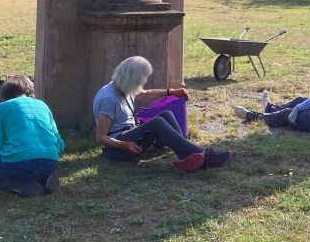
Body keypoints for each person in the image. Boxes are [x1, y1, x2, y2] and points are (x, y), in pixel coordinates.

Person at [94, 56, 231, 171]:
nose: (145, 82)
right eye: (143, 79)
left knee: (166, 114)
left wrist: (170, 92)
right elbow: (101, 137)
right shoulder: (109, 99)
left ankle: (187, 158)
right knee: (157, 123)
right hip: (117, 150)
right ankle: (204, 156)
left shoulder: (124, 86)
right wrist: (125, 145)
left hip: (131, 133)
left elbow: (145, 94)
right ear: (132, 79)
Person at [233, 39, 310, 136]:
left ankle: (252, 116)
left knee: (286, 115)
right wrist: (298, 108)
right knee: (298, 101)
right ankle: (269, 108)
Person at [0, 76, 65, 197]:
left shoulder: (1, 108)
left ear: (5, 95)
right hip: (50, 162)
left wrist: (1, 159)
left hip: (19, 165)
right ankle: (44, 179)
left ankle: (15, 184)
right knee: (38, 167)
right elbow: (58, 140)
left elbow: (1, 142)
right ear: (30, 91)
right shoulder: (43, 105)